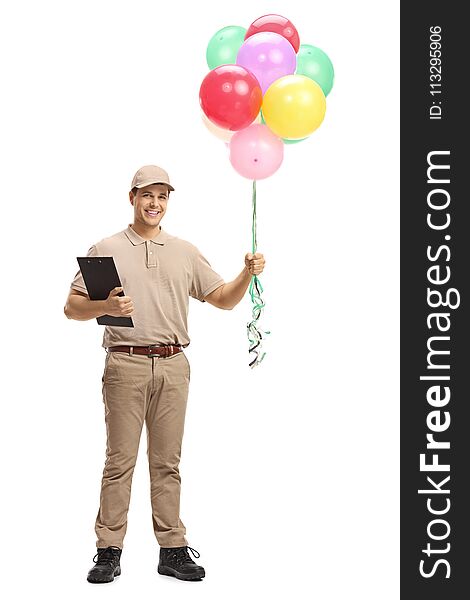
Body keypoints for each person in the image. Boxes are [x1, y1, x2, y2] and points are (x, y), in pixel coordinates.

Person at [64, 165, 265, 583]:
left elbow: (224, 300)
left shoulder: (184, 251)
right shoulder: (107, 247)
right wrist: (106, 308)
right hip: (125, 364)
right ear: (132, 197)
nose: (154, 203)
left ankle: (172, 549)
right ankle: (108, 550)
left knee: (167, 463)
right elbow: (71, 307)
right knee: (119, 460)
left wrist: (246, 272)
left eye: (162, 196)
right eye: (147, 195)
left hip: (174, 366)